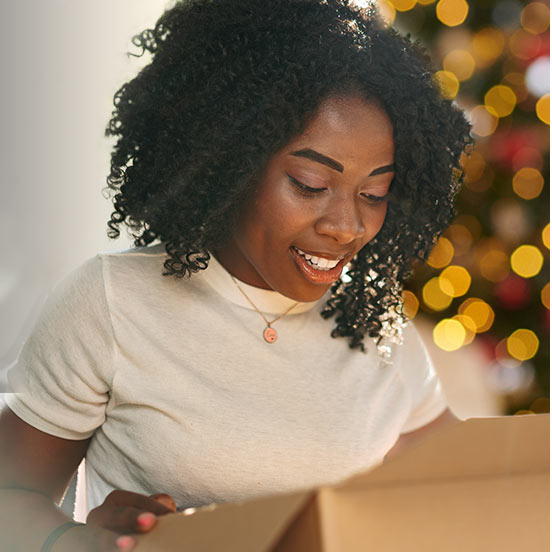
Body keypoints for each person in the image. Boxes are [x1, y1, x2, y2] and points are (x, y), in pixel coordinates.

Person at [0, 0, 472, 550]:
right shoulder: (110, 303)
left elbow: (472, 488)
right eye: (311, 184)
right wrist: (80, 542)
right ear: (230, 162)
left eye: (374, 194)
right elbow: (11, 499)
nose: (347, 226)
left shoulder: (374, 325)